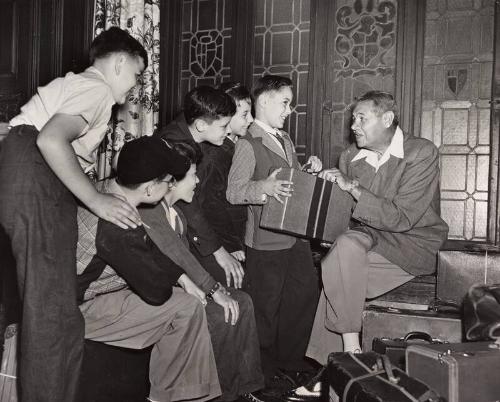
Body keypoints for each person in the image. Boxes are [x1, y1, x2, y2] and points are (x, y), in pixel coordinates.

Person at [0, 27, 145, 402]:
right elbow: (50, 140)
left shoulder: (80, 84)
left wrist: (95, 194)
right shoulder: (97, 89)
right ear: (119, 62)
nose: (135, 86)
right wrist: (97, 202)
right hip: (34, 169)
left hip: (28, 172)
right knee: (53, 315)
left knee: (56, 312)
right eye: (136, 74)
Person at [300, 91, 448, 399]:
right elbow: (344, 221)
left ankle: (335, 368)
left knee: (336, 271)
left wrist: (351, 187)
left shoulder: (421, 152)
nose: (353, 125)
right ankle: (352, 355)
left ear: (387, 119)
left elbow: (402, 216)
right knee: (344, 252)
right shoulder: (348, 158)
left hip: (413, 242)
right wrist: (319, 187)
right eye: (353, 118)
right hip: (368, 239)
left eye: (361, 118)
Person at [77, 136, 221, 402]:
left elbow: (150, 249)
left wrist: (182, 277)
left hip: (85, 295)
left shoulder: (108, 192)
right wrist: (176, 283)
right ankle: (172, 397)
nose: (170, 186)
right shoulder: (117, 223)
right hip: (75, 311)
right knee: (185, 308)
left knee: (184, 297)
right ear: (148, 189)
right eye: (167, 181)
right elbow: (156, 292)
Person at [139, 140, 265, 402]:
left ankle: (245, 387)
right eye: (193, 176)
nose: (197, 182)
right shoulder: (151, 212)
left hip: (181, 286)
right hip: (157, 293)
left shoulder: (176, 212)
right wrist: (214, 290)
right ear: (172, 182)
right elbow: (177, 255)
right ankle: (217, 395)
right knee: (220, 313)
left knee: (243, 301)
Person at [226, 75, 322, 397]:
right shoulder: (247, 144)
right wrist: (263, 189)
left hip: (294, 237)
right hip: (265, 242)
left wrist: (305, 172)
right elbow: (234, 192)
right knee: (266, 309)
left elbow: (289, 182)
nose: (289, 110)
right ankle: (264, 376)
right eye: (285, 102)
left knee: (302, 296)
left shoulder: (285, 139)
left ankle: (290, 363)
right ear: (264, 101)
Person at [154, 86, 246, 289]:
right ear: (202, 125)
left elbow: (210, 200)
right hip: (170, 233)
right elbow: (190, 208)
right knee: (228, 279)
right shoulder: (174, 144)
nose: (229, 131)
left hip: (194, 228)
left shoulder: (197, 131)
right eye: (224, 126)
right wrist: (219, 251)